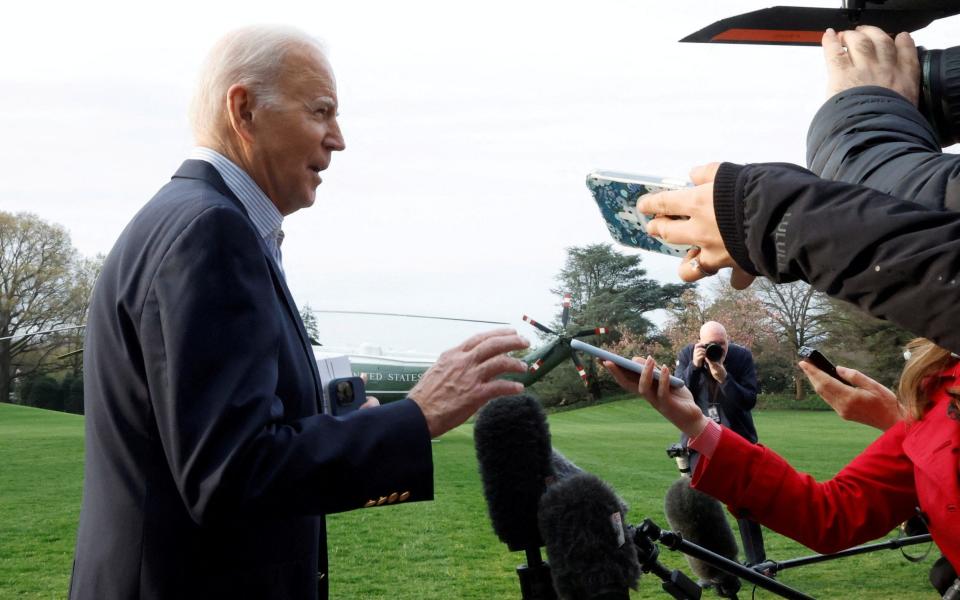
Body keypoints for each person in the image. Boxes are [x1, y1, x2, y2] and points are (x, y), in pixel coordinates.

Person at [68, 26, 529, 600]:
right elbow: (231, 475)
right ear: (244, 109)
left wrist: (347, 424)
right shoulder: (210, 233)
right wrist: (416, 416)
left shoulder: (190, 219)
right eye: (321, 111)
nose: (338, 139)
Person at [602, 337, 960, 573]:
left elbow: (744, 399)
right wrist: (697, 424)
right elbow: (831, 513)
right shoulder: (943, 384)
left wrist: (900, 422)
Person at [676, 321, 764, 565]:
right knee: (700, 506)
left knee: (744, 501)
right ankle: (712, 567)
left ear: (728, 341)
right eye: (709, 345)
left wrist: (725, 378)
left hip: (737, 437)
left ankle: (757, 564)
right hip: (699, 436)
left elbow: (747, 401)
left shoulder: (741, 356)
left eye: (721, 345)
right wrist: (694, 367)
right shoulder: (687, 354)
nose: (717, 349)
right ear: (700, 343)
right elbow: (680, 395)